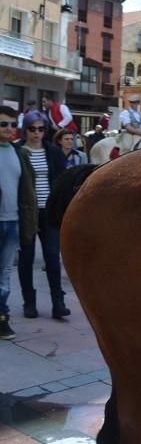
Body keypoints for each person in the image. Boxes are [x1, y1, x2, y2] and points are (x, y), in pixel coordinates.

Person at [16, 111, 69, 320]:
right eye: (32, 129)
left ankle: (58, 302)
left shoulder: (53, 152)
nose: (37, 133)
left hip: (49, 211)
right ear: (25, 129)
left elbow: (62, 180)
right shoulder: (17, 151)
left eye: (41, 129)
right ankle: (29, 302)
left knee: (52, 258)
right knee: (26, 259)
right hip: (27, 212)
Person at [0, 106, 37, 339]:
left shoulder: (19, 153)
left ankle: (2, 318)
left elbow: (27, 191)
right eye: (4, 124)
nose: (9, 129)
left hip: (12, 222)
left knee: (4, 274)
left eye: (13, 125)